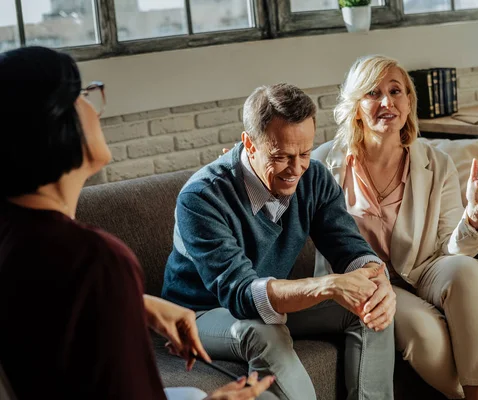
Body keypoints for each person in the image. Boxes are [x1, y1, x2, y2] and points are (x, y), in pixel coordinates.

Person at [0, 46, 274, 400]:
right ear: (53, 123)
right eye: (82, 95)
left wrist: (136, 303)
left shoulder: (15, 232)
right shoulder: (95, 258)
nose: (94, 107)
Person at [162, 83, 397, 400]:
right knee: (263, 333)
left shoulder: (313, 177)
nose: (297, 168)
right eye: (282, 156)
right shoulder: (201, 197)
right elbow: (242, 295)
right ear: (249, 144)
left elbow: (350, 249)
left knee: (369, 305)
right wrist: (325, 286)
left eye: (304, 153)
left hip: (268, 295)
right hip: (199, 313)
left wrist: (377, 279)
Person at [312, 55, 478, 400]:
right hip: (369, 282)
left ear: (409, 101)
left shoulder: (434, 162)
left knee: (467, 271)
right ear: (355, 107)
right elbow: (281, 208)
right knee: (422, 331)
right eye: (372, 93)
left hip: (426, 267)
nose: (387, 102)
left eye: (396, 91)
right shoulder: (323, 164)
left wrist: (475, 212)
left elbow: (452, 250)